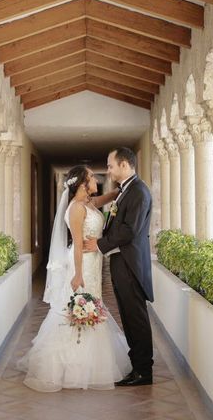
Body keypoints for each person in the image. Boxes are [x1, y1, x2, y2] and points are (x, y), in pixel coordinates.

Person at [16, 165, 132, 392]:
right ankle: (71, 367)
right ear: (81, 184)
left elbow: (105, 199)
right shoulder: (76, 209)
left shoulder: (88, 203)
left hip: (93, 261)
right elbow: (77, 245)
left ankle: (88, 362)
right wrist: (78, 274)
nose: (96, 180)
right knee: (78, 305)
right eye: (91, 177)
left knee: (93, 304)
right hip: (82, 263)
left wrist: (123, 189)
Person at [84, 147, 154, 386]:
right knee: (128, 316)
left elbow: (129, 230)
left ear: (124, 165)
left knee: (136, 318)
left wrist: (99, 244)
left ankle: (144, 371)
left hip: (131, 265)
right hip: (121, 262)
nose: (109, 169)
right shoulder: (126, 191)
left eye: (111, 165)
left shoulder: (138, 192)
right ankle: (137, 368)